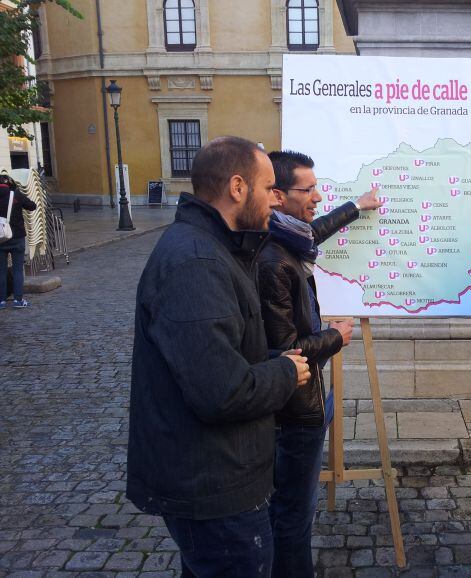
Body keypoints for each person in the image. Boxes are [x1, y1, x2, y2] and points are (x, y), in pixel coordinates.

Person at [127, 136, 311, 577]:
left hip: (223, 473)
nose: (276, 198)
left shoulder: (220, 247)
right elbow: (221, 391)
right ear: (237, 187)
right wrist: (287, 371)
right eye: (269, 188)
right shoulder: (196, 262)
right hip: (213, 485)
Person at [258, 150, 382, 577]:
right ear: (277, 195)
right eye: (307, 189)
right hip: (295, 413)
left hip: (310, 401)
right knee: (293, 516)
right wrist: (336, 337)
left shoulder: (288, 237)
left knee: (294, 512)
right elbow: (287, 355)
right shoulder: (272, 260)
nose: (316, 195)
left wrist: (356, 207)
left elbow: (313, 231)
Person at [0, 175, 37, 309]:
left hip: (0, 239)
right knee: (17, 270)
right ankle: (18, 300)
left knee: (1, 271)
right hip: (17, 237)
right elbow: (32, 206)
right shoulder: (15, 194)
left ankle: (1, 301)